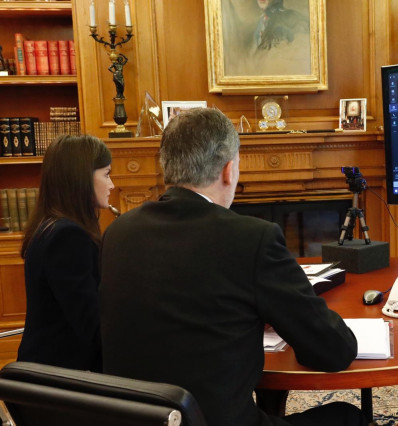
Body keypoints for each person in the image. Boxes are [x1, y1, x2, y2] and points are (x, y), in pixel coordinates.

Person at [99, 108, 366, 426]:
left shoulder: (117, 232)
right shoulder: (252, 238)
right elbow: (334, 350)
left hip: (139, 420)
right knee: (349, 417)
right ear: (229, 171)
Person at [17, 135, 113, 372]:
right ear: (81, 178)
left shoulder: (50, 226)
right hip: (60, 384)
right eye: (107, 174)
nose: (111, 185)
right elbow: (92, 326)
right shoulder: (68, 237)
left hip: (52, 374)